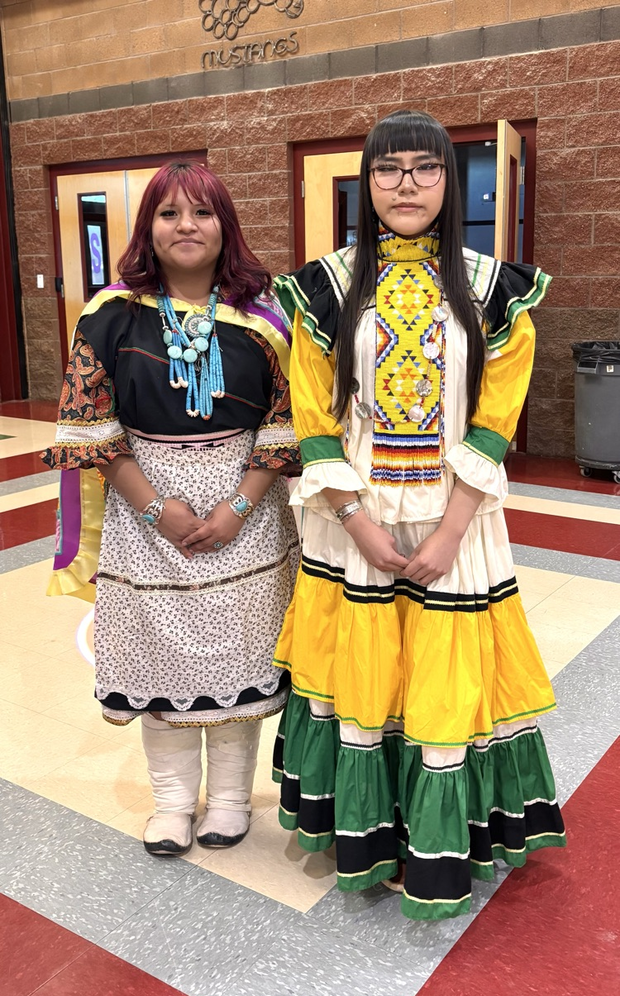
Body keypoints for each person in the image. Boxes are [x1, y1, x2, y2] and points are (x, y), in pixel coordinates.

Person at [272, 110, 566, 921]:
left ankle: (437, 838)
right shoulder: (323, 288)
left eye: (425, 169)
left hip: (455, 516)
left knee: (439, 669)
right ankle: (368, 833)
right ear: (365, 183)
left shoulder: (493, 287)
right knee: (367, 672)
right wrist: (359, 521)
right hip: (353, 513)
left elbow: (497, 417)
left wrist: (450, 528)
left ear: (450, 180)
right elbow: (312, 418)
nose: (407, 185)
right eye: (389, 169)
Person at [43, 161, 299, 857]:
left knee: (239, 657)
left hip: (246, 512)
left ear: (227, 225)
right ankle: (172, 805)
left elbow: (286, 423)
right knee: (158, 665)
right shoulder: (110, 314)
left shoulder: (268, 313)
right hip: (143, 508)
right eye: (169, 213)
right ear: (148, 228)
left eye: (202, 213)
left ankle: (229, 803)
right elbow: (90, 425)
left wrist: (235, 510)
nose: (186, 227)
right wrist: (159, 510)